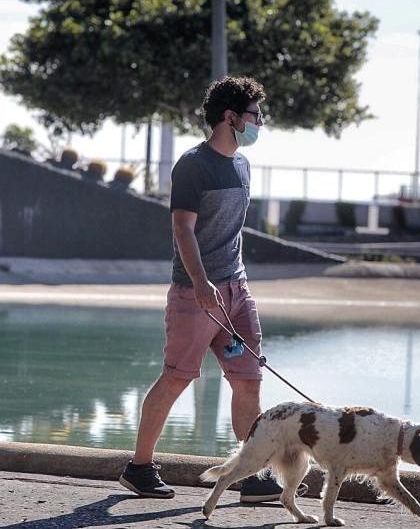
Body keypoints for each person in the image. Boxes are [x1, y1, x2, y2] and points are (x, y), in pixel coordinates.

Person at [120, 76, 298, 503]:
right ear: (230, 117)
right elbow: (183, 228)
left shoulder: (242, 165)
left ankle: (251, 476)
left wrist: (230, 284)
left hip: (237, 291)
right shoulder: (193, 165)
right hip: (194, 294)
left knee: (248, 380)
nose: (260, 123)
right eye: (255, 115)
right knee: (177, 378)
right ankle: (139, 467)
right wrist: (200, 284)